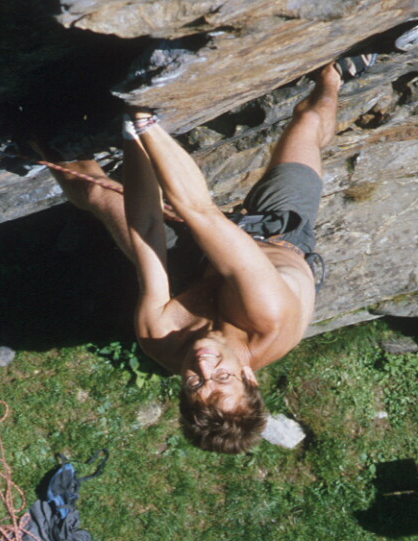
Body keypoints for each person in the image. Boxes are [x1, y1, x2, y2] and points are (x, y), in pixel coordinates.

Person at [29, 55, 375, 453]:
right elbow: (200, 212)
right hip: (277, 236)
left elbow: (147, 228)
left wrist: (131, 138)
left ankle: (35, 127)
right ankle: (333, 77)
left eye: (195, 383)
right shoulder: (268, 314)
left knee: (97, 193)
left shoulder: (162, 339)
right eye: (222, 377)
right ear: (249, 376)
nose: (203, 364)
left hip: (197, 271)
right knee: (307, 124)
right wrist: (142, 120)